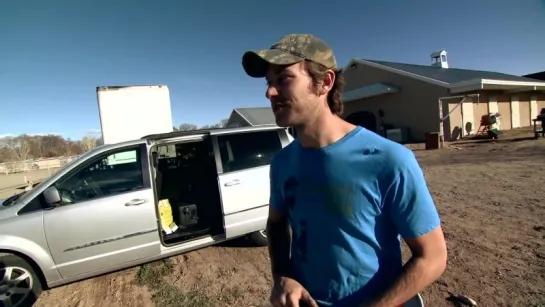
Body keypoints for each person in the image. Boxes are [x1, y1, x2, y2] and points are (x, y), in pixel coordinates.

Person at [241, 34, 447, 307]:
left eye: (284, 79)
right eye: (269, 83)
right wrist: (282, 276)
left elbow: (432, 257)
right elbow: (277, 224)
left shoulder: (389, 159)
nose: (270, 92)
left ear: (325, 82)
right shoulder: (282, 162)